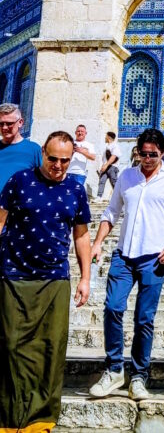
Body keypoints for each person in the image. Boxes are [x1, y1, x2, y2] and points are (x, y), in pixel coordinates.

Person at [89, 128, 164, 401]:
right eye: (142, 153)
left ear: (163, 153)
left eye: (152, 154)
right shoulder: (126, 176)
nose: (147, 159)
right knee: (112, 307)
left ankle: (139, 376)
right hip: (124, 255)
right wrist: (97, 242)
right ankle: (114, 370)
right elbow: (111, 212)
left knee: (144, 318)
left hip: (155, 257)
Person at [0, 131, 91, 432]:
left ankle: (40, 419)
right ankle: (9, 417)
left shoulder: (75, 191)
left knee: (51, 348)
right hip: (14, 275)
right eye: (53, 159)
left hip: (54, 279)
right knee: (12, 346)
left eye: (65, 160)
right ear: (42, 153)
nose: (58, 166)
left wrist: (85, 278)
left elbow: (81, 236)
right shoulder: (20, 181)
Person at [0, 103, 42, 193]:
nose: (4, 127)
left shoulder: (34, 150)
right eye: (1, 124)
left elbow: (43, 180)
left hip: (18, 206)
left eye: (9, 123)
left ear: (20, 122)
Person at [97, 131, 122, 199]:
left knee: (114, 182)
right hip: (106, 167)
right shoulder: (107, 146)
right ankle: (99, 197)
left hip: (112, 167)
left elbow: (113, 156)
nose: (105, 138)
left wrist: (106, 165)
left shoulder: (115, 146)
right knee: (102, 181)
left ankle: (120, 197)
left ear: (108, 137)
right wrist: (102, 166)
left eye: (106, 136)